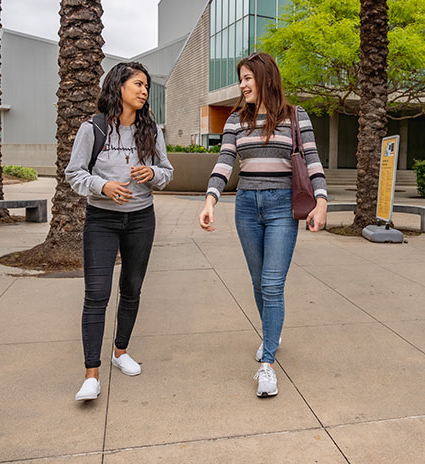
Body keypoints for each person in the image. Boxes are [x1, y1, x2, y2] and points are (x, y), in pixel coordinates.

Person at [198, 52, 328, 397]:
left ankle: (267, 364)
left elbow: (312, 160)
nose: (241, 85)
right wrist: (211, 199)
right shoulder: (235, 119)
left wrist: (322, 202)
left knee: (272, 284)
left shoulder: (295, 117)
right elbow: (225, 161)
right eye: (240, 79)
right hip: (246, 208)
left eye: (246, 79)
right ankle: (273, 332)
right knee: (259, 282)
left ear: (265, 77)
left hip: (283, 208)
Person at [65, 62, 174, 401]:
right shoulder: (93, 129)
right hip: (102, 221)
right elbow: (74, 173)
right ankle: (91, 375)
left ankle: (120, 353)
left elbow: (167, 172)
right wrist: (104, 186)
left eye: (147, 87)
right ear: (119, 86)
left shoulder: (150, 130)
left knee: (132, 288)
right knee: (97, 294)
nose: (144, 91)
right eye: (138, 84)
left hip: (141, 219)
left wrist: (151, 174)